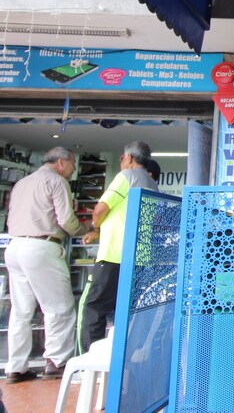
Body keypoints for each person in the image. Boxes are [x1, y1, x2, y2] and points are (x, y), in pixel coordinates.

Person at [5, 147, 93, 382]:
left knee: (21, 311)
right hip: (42, 247)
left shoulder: (22, 183)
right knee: (59, 307)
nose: (74, 168)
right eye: (73, 163)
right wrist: (86, 228)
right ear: (61, 162)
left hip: (15, 246)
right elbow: (66, 220)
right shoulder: (56, 181)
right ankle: (56, 362)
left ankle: (16, 367)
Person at [76, 141, 158, 353]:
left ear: (129, 157)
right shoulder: (151, 183)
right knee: (126, 311)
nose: (121, 161)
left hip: (114, 255)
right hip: (139, 257)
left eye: (122, 157)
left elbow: (100, 209)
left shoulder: (126, 177)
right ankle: (123, 359)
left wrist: (95, 227)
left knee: (94, 308)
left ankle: (90, 358)